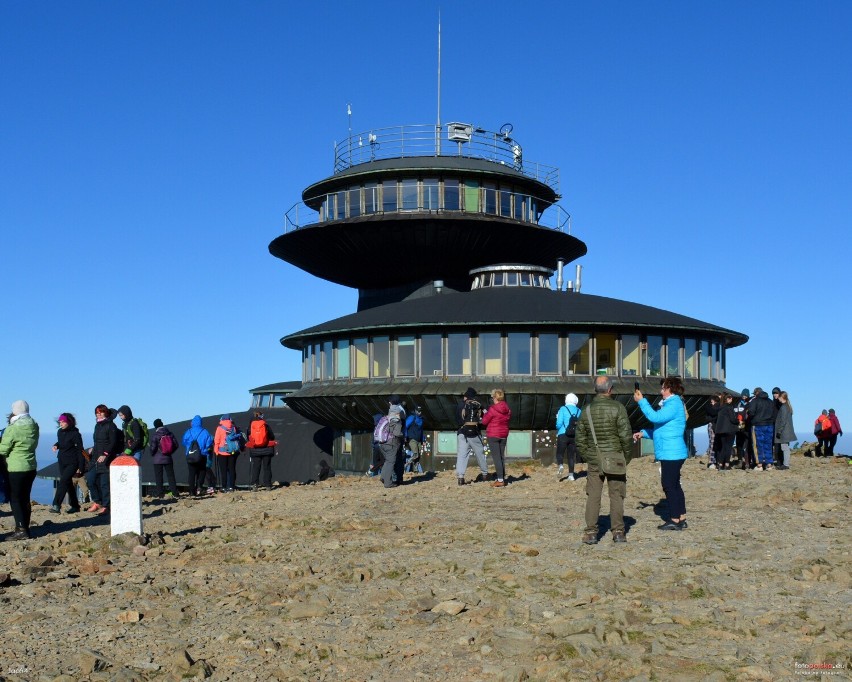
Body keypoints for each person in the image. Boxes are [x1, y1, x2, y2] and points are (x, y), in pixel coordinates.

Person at [576, 376, 632, 543]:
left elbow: (580, 439)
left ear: (595, 389)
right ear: (610, 389)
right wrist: (625, 457)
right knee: (616, 495)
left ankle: (591, 533)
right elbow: (626, 436)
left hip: (594, 459)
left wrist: (589, 456)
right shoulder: (618, 408)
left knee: (593, 495)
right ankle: (618, 532)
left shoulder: (586, 410)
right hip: (616, 458)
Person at [634, 377, 688, 531]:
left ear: (670, 389)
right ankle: (681, 517)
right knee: (675, 485)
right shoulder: (672, 404)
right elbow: (661, 429)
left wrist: (641, 401)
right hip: (672, 451)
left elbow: (654, 417)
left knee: (669, 485)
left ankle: (674, 519)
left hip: (671, 452)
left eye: (663, 388)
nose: (661, 391)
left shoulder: (674, 403)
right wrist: (643, 433)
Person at [0, 401, 39, 540]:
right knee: (25, 497)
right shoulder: (34, 425)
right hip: (31, 466)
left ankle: (21, 530)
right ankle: (26, 528)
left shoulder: (13, 428)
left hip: (16, 467)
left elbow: (2, 449)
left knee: (15, 498)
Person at [87, 405, 122, 516]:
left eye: (101, 412)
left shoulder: (111, 425)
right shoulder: (97, 425)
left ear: (106, 413)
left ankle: (106, 506)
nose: (99, 414)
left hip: (107, 458)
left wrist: (105, 454)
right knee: (90, 480)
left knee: (104, 484)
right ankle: (97, 502)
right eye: (97, 413)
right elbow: (98, 441)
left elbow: (113, 442)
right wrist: (94, 447)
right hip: (96, 458)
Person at [50, 413, 86, 514]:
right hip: (62, 461)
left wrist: (81, 467)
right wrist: (56, 445)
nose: (61, 423)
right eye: (60, 422)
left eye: (63, 421)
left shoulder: (76, 434)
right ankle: (75, 505)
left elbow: (80, 451)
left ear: (69, 422)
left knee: (63, 481)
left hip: (72, 463)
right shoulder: (60, 432)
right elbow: (62, 443)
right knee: (68, 483)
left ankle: (56, 505)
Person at [456, 387, 489, 485]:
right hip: (475, 433)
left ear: (465, 396)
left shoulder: (460, 405)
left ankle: (461, 477)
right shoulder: (479, 405)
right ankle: (484, 474)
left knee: (462, 455)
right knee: (480, 454)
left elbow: (457, 419)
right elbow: (485, 417)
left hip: (462, 433)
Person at [482, 389, 511, 487]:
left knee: (496, 458)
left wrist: (485, 413)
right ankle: (502, 477)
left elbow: (484, 422)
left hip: (493, 434)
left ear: (495, 397)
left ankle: (500, 480)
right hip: (503, 435)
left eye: (493, 397)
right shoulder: (508, 409)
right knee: (501, 457)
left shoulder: (493, 409)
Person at [182, 415, 214, 497]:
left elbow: (184, 442)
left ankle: (192, 491)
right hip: (202, 455)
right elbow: (209, 443)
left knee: (191, 473)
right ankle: (199, 487)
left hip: (190, 455)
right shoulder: (205, 431)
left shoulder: (188, 432)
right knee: (202, 471)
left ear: (192, 422)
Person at [746, 388, 776, 471]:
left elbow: (751, 412)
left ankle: (759, 464)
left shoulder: (755, 401)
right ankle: (769, 463)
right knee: (768, 444)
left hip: (757, 424)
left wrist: (749, 414)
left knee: (757, 444)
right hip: (769, 425)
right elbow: (774, 413)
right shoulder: (770, 401)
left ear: (756, 393)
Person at [149, 418, 179, 499]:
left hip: (157, 459)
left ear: (155, 426)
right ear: (162, 424)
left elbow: (153, 448)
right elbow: (176, 445)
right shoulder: (169, 433)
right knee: (171, 476)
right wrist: (170, 452)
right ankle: (175, 493)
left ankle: (160, 494)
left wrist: (152, 454)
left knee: (159, 477)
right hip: (168, 458)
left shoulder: (155, 435)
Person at [246, 411, 276, 490]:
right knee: (267, 467)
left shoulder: (250, 427)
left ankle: (255, 484)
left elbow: (248, 437)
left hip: (255, 450)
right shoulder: (265, 425)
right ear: (261, 416)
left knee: (256, 467)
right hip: (267, 449)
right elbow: (272, 436)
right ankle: (268, 485)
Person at [555, 393, 581, 480]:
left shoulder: (563, 409)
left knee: (560, 453)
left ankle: (561, 465)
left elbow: (559, 424)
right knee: (571, 456)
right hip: (574, 435)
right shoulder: (579, 410)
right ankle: (571, 475)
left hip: (563, 434)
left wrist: (559, 428)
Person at [379, 404, 405, 488]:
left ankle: (383, 477)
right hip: (391, 443)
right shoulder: (396, 420)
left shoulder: (386, 418)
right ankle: (388, 483)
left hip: (382, 443)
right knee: (391, 462)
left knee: (388, 461)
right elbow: (397, 433)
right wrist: (402, 435)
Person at [214, 414, 242, 491]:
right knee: (232, 469)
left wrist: (216, 450)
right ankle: (231, 486)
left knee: (224, 470)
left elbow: (217, 440)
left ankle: (224, 487)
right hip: (232, 452)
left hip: (222, 452)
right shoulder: (233, 428)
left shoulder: (219, 428)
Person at [713, 393, 739, 471]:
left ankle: (720, 463)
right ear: (728, 399)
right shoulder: (729, 407)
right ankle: (727, 464)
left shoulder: (720, 408)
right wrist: (738, 421)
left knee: (722, 447)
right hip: (730, 430)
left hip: (721, 430)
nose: (732, 400)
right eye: (730, 398)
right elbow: (732, 419)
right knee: (728, 447)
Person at [774, 392, 796, 470]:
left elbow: (783, 421)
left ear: (781, 397)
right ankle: (785, 463)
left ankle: (786, 464)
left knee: (785, 448)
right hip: (787, 430)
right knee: (785, 447)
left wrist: (779, 431)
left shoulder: (784, 407)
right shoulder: (787, 406)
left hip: (784, 431)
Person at [733, 389, 754, 469]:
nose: (744, 396)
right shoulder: (737, 404)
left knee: (747, 445)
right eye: (743, 395)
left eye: (746, 395)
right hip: (739, 428)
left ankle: (747, 462)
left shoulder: (750, 404)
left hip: (747, 427)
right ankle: (740, 461)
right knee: (739, 444)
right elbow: (735, 413)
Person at [404, 406, 425, 473]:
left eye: (420, 411)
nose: (419, 412)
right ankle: (406, 464)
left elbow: (421, 430)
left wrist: (423, 439)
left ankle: (416, 471)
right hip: (412, 439)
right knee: (415, 454)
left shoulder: (421, 419)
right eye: (418, 411)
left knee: (418, 456)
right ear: (415, 411)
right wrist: (405, 436)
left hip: (419, 440)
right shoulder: (411, 417)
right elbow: (405, 426)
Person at [704, 394, 721, 469]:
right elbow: (713, 413)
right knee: (713, 443)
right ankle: (712, 461)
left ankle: (714, 461)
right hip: (714, 425)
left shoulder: (711, 407)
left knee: (714, 443)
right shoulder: (711, 407)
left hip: (715, 425)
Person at [367, 412, 385, 477]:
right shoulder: (382, 427)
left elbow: (373, 438)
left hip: (375, 446)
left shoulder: (376, 427)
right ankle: (373, 472)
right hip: (380, 446)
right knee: (382, 462)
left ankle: (373, 474)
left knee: (376, 462)